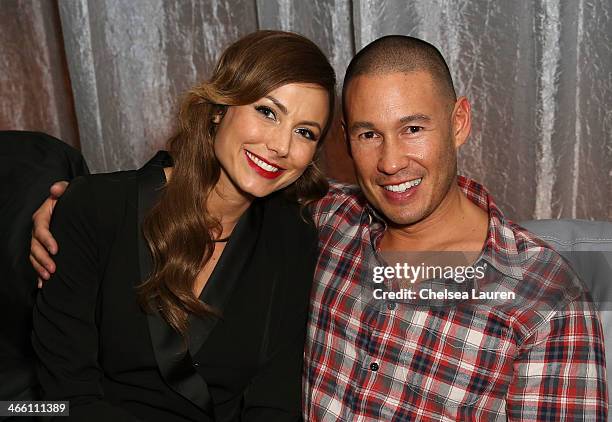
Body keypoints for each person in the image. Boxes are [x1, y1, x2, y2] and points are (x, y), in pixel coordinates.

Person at [31, 36, 607, 421]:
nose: (390, 162)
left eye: (413, 129)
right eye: (366, 134)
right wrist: (59, 208)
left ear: (459, 122)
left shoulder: (544, 300)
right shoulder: (326, 226)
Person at [28, 30, 335, 421]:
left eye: (305, 132)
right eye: (267, 111)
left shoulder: (293, 238)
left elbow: (273, 403)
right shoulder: (96, 208)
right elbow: (64, 397)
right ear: (218, 108)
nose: (281, 146)